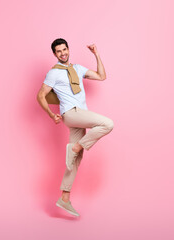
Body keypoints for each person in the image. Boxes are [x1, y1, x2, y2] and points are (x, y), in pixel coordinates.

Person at [36, 38, 114, 217]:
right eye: (59, 51)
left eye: (64, 49)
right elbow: (40, 95)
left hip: (80, 115)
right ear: (54, 54)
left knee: (75, 160)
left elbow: (101, 76)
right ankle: (76, 147)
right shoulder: (53, 73)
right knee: (107, 124)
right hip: (71, 113)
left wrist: (97, 54)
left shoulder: (77, 68)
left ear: (68, 49)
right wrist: (50, 114)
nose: (63, 53)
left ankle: (64, 197)